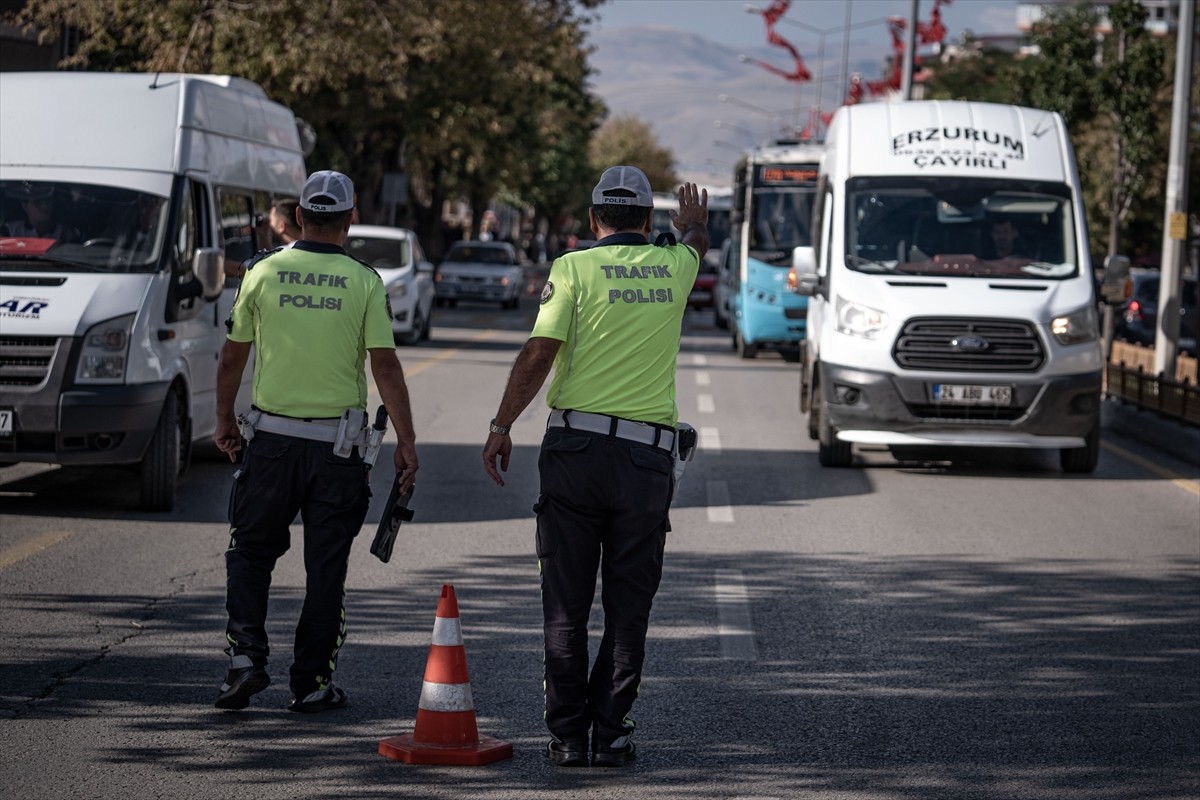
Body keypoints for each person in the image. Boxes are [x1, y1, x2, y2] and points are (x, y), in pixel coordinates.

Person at [482, 166, 708, 767]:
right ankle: (611, 734)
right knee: (628, 608)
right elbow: (694, 244)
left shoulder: (572, 268)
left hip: (575, 453)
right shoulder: (675, 266)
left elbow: (539, 352)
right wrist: (692, 225)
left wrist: (502, 426)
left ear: (592, 218)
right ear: (649, 219)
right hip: (645, 462)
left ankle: (566, 737)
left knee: (566, 605)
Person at [212, 169, 419, 713]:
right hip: (338, 450)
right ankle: (311, 683)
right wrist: (406, 441)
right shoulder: (365, 281)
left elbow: (232, 356)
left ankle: (245, 658)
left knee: (250, 552)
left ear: (300, 216)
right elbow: (386, 367)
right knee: (326, 568)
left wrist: (224, 420)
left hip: (271, 444)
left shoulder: (261, 271)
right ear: (351, 220)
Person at [1, 182, 79, 242]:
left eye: (47, 200)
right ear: (25, 206)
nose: (45, 206)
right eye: (37, 202)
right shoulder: (9, 231)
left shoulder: (67, 234)